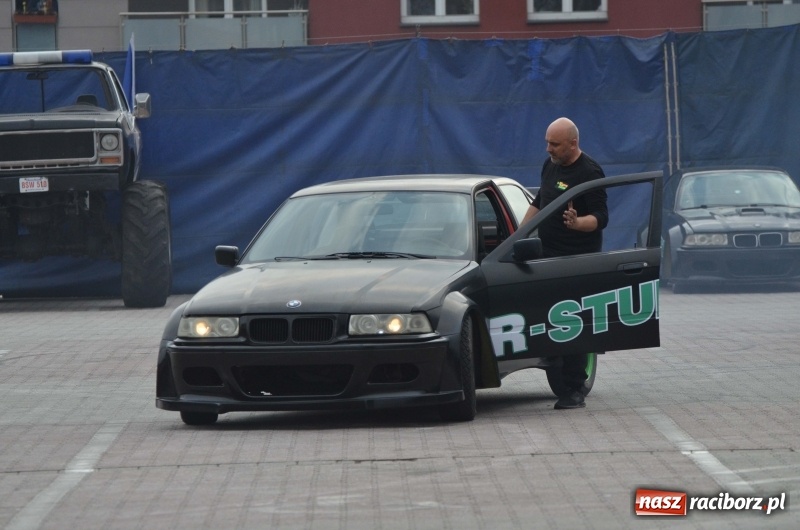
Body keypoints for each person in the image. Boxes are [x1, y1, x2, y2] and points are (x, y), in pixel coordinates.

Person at [520, 117, 608, 410]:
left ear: (573, 143)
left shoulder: (590, 171)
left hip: (576, 260)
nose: (548, 149)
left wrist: (577, 222)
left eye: (555, 144)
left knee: (572, 322)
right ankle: (554, 360)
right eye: (547, 143)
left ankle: (574, 388)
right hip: (547, 255)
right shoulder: (550, 165)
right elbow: (538, 201)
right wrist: (518, 234)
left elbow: (600, 218)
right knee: (547, 316)